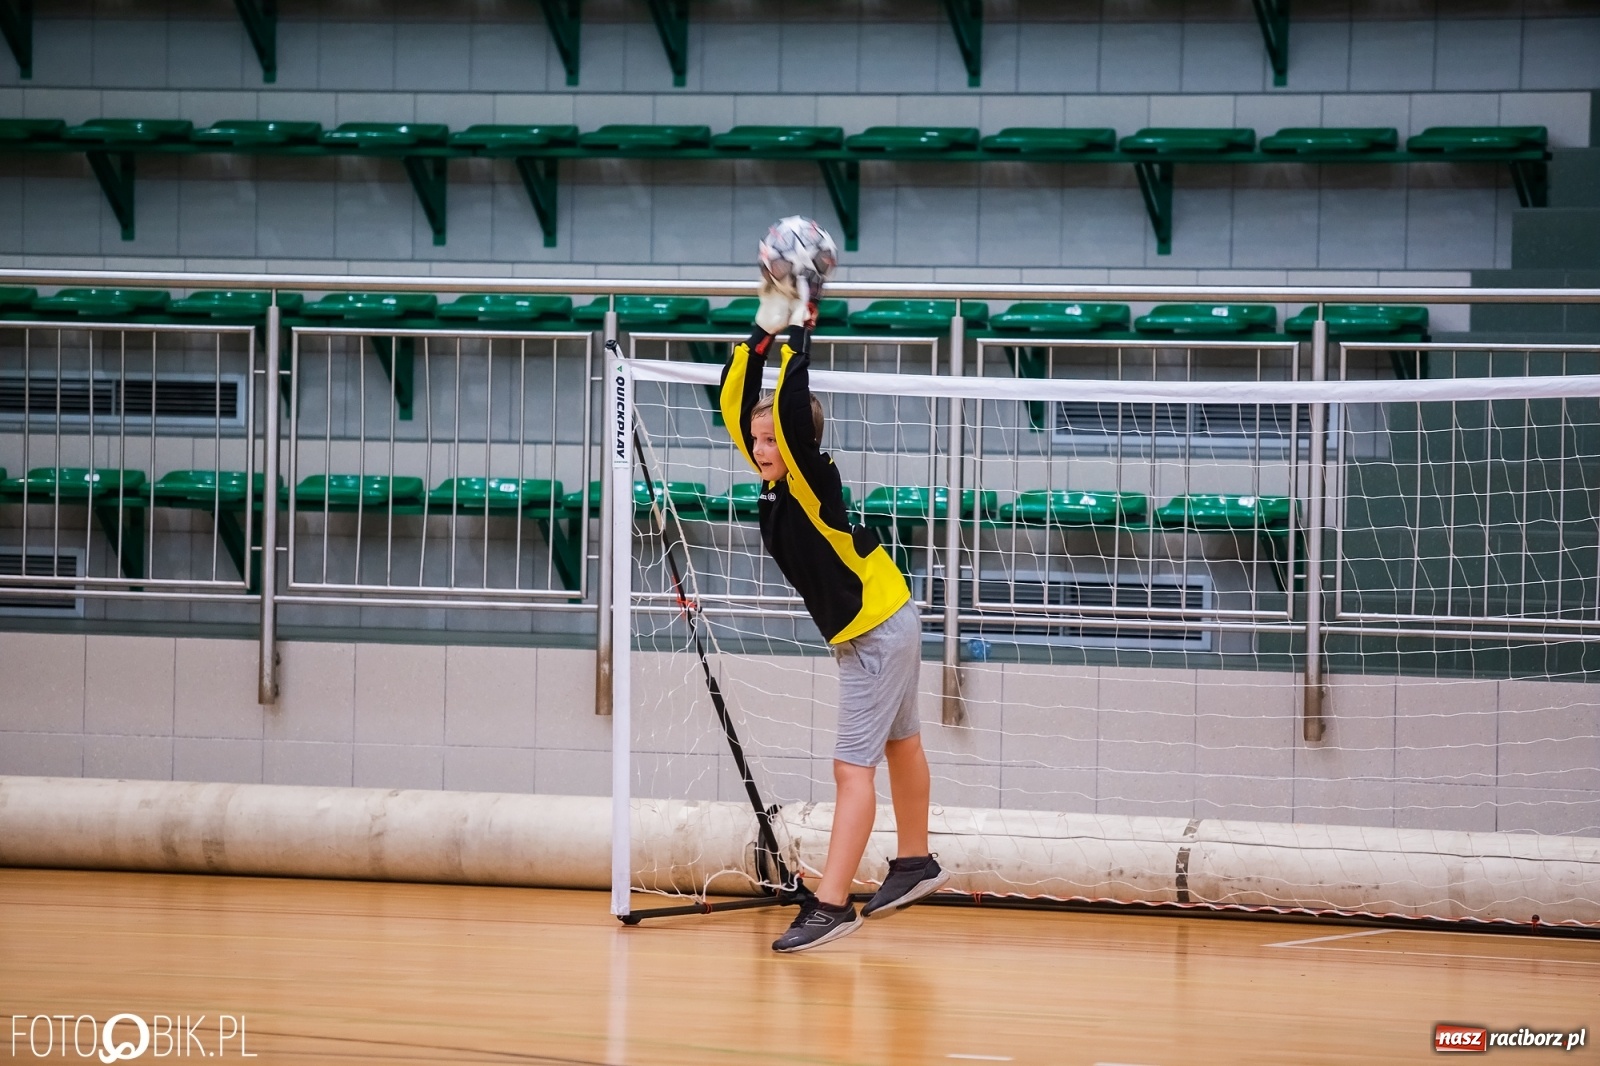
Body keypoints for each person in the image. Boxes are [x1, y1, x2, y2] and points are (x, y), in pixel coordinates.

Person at [718, 256, 950, 953]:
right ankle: (915, 861)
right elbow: (737, 402)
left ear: (798, 444)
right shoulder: (773, 479)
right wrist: (764, 325)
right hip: (883, 621)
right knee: (902, 742)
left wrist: (800, 329)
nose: (760, 448)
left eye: (771, 441)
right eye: (756, 440)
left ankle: (830, 905)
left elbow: (788, 411)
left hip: (877, 631)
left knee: (852, 769)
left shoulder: (810, 479)